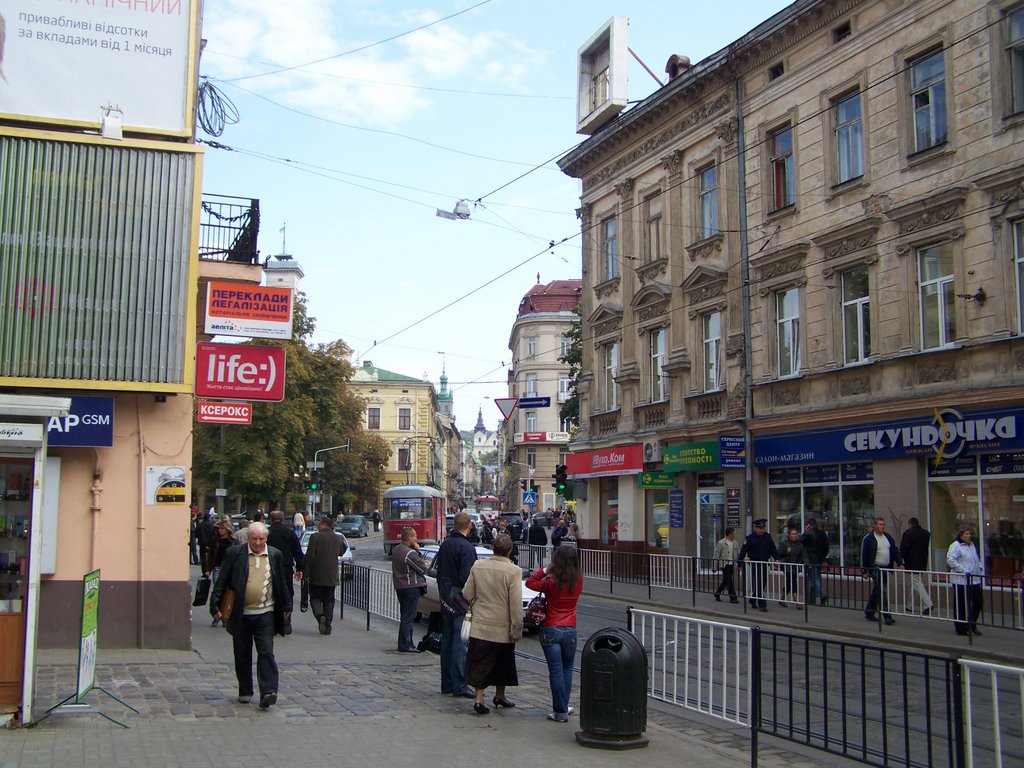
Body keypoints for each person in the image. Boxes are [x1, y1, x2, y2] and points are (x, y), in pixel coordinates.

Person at [208, 522, 291, 709]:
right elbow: (222, 580)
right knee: (242, 653)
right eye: (255, 539)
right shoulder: (235, 554)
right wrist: (214, 604)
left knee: (266, 652)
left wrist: (287, 605)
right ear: (249, 538)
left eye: (262, 539)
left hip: (265, 613)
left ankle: (268, 691)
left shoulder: (275, 555)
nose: (258, 543)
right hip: (241, 613)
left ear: (266, 539)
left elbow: (281, 583)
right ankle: (245, 690)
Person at [462, 534, 523, 715]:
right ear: (510, 551)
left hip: (481, 624)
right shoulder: (513, 571)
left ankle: (479, 698)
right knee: (502, 662)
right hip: (501, 626)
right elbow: (515, 604)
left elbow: (467, 593)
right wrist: (516, 629)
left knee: (480, 661)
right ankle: (500, 695)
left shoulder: (478, 566)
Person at [527, 545, 583, 722]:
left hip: (551, 627)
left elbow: (531, 582)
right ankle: (564, 706)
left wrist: (546, 569)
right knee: (567, 669)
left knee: (556, 671)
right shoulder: (578, 581)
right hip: (570, 629)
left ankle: (560, 711)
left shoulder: (551, 582)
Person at [435, 511, 478, 698]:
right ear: (469, 526)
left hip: (446, 596)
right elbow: (466, 578)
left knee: (447, 642)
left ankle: (447, 682)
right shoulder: (466, 547)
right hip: (460, 598)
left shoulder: (445, 544)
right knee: (460, 642)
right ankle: (459, 683)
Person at [304, 515, 346, 635]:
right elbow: (342, 551)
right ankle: (328, 622)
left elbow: (309, 556)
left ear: (323, 524)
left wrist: (306, 573)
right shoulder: (337, 537)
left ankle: (320, 615)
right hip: (332, 575)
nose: (317, 524)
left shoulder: (315, 537)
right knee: (329, 600)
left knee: (315, 598)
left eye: (319, 523)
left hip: (316, 575)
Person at [860, 517, 903, 625]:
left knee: (878, 590)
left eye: (883, 524)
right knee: (881, 591)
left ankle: (869, 612)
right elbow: (864, 555)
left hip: (885, 567)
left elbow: (895, 550)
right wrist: (864, 571)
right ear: (875, 526)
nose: (882, 526)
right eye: (880, 524)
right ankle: (887, 616)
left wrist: (900, 563)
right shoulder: (869, 538)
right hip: (875, 567)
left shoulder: (888, 537)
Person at [391, 527, 428, 652]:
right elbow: (422, 568)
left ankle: (409, 643)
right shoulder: (409, 553)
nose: (416, 538)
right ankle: (405, 644)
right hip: (411, 586)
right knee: (408, 617)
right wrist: (417, 551)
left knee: (406, 615)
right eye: (415, 536)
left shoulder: (397, 550)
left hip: (400, 586)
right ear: (410, 537)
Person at [266, 510, 304, 624]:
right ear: (282, 519)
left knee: (270, 592)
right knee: (287, 592)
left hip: (269, 567)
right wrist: (300, 568)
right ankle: (286, 616)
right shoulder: (290, 533)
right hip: (286, 567)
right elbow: (298, 552)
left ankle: (272, 619)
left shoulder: (267, 533)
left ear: (271, 519)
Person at [947, 525, 984, 636]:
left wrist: (980, 567)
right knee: (961, 605)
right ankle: (961, 628)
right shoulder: (956, 545)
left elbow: (975, 559)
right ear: (961, 535)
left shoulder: (972, 545)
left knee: (978, 602)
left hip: (974, 579)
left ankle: (972, 624)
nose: (969, 536)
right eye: (967, 534)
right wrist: (963, 570)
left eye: (970, 534)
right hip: (961, 580)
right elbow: (950, 559)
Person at [737, 519, 778, 612]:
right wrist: (739, 562)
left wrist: (777, 558)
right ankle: (762, 604)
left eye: (763, 528)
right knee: (759, 583)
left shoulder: (767, 537)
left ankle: (752, 599)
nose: (761, 530)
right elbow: (744, 551)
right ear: (755, 528)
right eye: (759, 528)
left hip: (764, 563)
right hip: (755, 564)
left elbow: (773, 549)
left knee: (763, 583)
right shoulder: (750, 538)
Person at [204, 515, 236, 625]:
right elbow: (210, 555)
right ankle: (216, 614)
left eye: (223, 529)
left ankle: (225, 615)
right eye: (219, 529)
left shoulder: (233, 541)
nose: (220, 531)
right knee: (218, 590)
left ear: (228, 530)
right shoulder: (215, 540)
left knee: (228, 592)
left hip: (230, 569)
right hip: (217, 567)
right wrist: (208, 569)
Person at [899, 516, 934, 616]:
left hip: (912, 562)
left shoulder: (908, 533)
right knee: (914, 582)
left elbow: (903, 548)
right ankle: (910, 605)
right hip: (922, 562)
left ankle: (928, 604)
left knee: (916, 582)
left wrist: (901, 560)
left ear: (910, 524)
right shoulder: (926, 533)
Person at [800, 518, 830, 606]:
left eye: (806, 525)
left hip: (811, 560)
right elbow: (826, 548)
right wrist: (823, 558)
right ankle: (811, 600)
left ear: (809, 525)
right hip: (819, 560)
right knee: (816, 579)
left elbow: (800, 540)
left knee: (813, 579)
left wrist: (805, 531)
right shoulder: (823, 534)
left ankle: (823, 595)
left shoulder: (809, 534)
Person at [776, 527, 805, 608]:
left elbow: (803, 555)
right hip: (787, 566)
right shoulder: (784, 544)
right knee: (793, 581)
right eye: (793, 534)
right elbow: (779, 554)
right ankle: (797, 602)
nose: (795, 535)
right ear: (789, 535)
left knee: (789, 583)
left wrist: (805, 563)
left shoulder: (800, 544)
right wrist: (786, 552)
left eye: (796, 534)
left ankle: (782, 599)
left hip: (796, 566)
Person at [712, 527, 740, 603]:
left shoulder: (735, 543)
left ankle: (717, 593)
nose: (734, 534)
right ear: (729, 533)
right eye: (733, 533)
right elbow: (716, 554)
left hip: (731, 564)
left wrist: (738, 563)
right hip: (724, 564)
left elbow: (738, 554)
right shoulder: (721, 543)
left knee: (726, 581)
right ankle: (733, 598)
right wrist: (714, 566)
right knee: (729, 581)